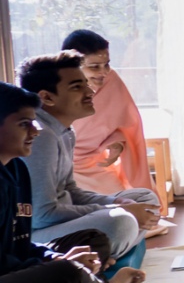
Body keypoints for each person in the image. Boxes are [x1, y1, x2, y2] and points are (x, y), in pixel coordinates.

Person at [0, 83, 143, 283]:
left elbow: (18, 244)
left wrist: (53, 256)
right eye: (24, 124)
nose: (35, 131)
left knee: (93, 239)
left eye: (34, 122)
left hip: (13, 271)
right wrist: (54, 265)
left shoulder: (16, 168)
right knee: (67, 274)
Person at [19, 52, 163, 263]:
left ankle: (99, 254)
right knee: (120, 223)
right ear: (47, 98)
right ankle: (94, 256)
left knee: (145, 199)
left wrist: (115, 202)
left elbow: (71, 191)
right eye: (77, 87)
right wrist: (116, 209)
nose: (90, 91)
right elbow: (42, 215)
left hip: (60, 222)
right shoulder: (40, 136)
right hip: (35, 238)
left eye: (86, 84)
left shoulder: (64, 130)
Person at [62, 30, 152, 195]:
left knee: (130, 203)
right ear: (72, 64)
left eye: (106, 64)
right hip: (59, 168)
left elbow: (125, 124)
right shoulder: (53, 87)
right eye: (94, 67)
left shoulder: (111, 81)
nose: (103, 72)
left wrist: (116, 142)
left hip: (94, 164)